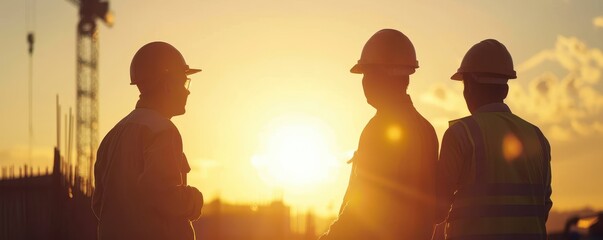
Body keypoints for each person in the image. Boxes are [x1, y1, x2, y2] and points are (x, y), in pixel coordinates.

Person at [319, 29, 439, 240]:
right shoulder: (425, 129)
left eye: (367, 74)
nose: (364, 82)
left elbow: (365, 205)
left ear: (382, 76)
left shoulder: (381, 128)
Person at [436, 39, 553, 240]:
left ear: (469, 87)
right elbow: (544, 207)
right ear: (505, 90)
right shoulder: (537, 137)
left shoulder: (461, 134)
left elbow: (436, 208)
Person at [92, 42, 204, 240]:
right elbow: (160, 192)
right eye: (183, 82)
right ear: (168, 85)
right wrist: (194, 199)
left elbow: (99, 204)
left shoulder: (113, 135)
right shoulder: (162, 130)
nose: (188, 91)